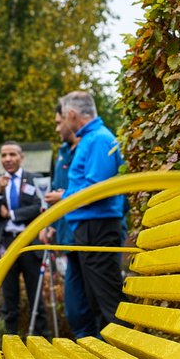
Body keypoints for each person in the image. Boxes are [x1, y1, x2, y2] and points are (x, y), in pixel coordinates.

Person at [58, 90, 126, 331]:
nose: (63, 124)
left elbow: (97, 188)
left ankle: (126, 357)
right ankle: (108, 357)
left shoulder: (98, 139)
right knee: (96, 301)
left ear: (73, 114)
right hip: (88, 226)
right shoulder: (90, 138)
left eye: (64, 118)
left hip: (98, 226)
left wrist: (62, 197)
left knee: (109, 302)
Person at [41, 103, 97, 337]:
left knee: (97, 300)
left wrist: (64, 196)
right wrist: (49, 224)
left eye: (58, 122)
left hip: (92, 233)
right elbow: (56, 192)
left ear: (69, 118)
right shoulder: (63, 152)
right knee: (75, 307)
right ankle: (85, 350)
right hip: (69, 236)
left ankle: (104, 355)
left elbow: (95, 189)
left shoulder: (91, 145)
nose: (57, 128)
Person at [0, 142, 49, 336]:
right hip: (5, 245)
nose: (7, 159)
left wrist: (12, 214)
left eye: (12, 154)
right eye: (3, 156)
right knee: (9, 299)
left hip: (30, 245)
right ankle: (9, 342)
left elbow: (40, 207)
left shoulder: (35, 180)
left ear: (21, 157)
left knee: (36, 297)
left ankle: (42, 341)